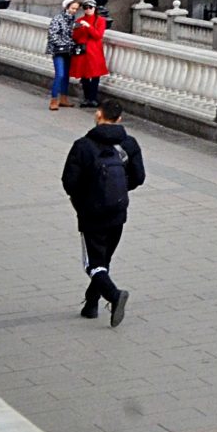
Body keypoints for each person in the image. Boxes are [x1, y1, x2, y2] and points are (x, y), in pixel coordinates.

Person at [62, 102, 144, 326]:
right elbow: (139, 177)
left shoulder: (83, 146)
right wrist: (116, 190)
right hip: (118, 211)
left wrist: (85, 198)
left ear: (98, 115)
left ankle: (114, 296)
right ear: (120, 118)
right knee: (104, 259)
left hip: (91, 213)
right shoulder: (129, 144)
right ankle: (91, 303)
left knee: (93, 264)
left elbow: (69, 181)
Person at [48, 0, 82, 109]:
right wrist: (63, 44)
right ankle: (54, 99)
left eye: (76, 9)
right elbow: (52, 35)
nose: (74, 11)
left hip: (68, 51)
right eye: (73, 8)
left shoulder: (73, 20)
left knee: (66, 75)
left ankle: (63, 98)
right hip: (59, 51)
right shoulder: (58, 18)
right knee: (60, 74)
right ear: (66, 7)